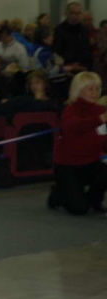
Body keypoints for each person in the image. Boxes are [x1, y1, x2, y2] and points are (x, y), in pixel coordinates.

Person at [48, 72, 107, 215]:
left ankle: (94, 200)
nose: (94, 92)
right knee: (78, 209)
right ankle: (58, 193)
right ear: (78, 90)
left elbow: (104, 139)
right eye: (90, 89)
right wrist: (99, 119)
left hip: (91, 162)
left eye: (97, 88)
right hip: (67, 166)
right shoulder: (69, 110)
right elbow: (74, 126)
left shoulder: (101, 110)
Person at [53, 2, 92, 71]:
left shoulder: (83, 29)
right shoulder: (59, 30)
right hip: (67, 68)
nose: (75, 16)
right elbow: (57, 52)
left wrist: (87, 66)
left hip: (82, 67)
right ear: (66, 13)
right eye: (72, 13)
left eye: (78, 13)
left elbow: (87, 49)